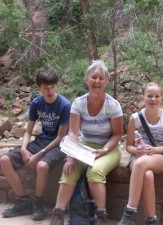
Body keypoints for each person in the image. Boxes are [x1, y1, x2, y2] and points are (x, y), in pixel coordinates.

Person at [49, 60, 123, 225]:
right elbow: (73, 132)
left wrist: (104, 150)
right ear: (87, 79)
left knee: (95, 172)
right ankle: (58, 214)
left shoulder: (113, 105)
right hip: (84, 146)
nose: (97, 82)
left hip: (109, 148)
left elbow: (118, 134)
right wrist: (71, 156)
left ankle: (101, 216)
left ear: (106, 82)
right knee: (70, 169)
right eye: (93, 77)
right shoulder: (78, 103)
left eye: (101, 78)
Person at [0, 67, 71, 221]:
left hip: (59, 145)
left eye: (52, 87)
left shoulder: (65, 105)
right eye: (46, 88)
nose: (50, 91)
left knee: (41, 165)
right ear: (39, 87)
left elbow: (60, 137)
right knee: (5, 160)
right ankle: (24, 201)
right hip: (41, 141)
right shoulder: (36, 103)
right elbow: (28, 131)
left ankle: (38, 202)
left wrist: (39, 154)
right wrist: (24, 149)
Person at [117, 82, 163, 225]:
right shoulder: (135, 118)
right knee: (147, 175)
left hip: (159, 157)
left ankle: (129, 212)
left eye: (157, 96)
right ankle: (151, 220)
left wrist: (155, 150)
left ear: (161, 97)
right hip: (138, 157)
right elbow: (129, 146)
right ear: (143, 97)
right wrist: (135, 150)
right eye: (149, 96)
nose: (153, 100)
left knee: (141, 164)